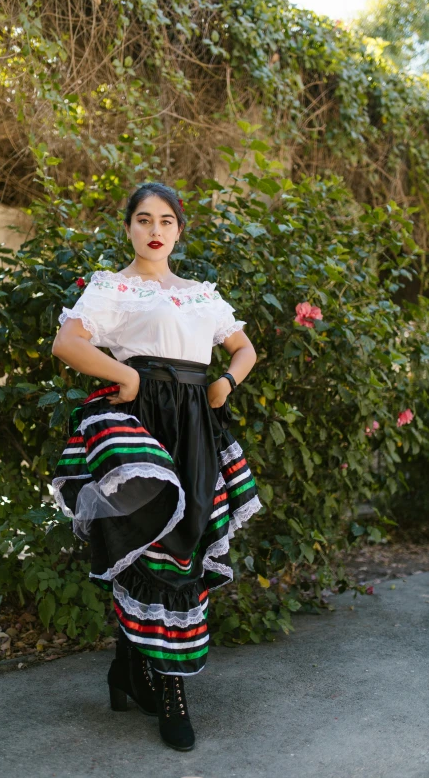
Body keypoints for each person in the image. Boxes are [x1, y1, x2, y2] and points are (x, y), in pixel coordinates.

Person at [51, 182, 262, 751]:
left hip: (196, 424)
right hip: (141, 423)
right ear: (128, 228)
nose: (155, 230)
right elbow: (67, 343)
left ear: (178, 230)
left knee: (185, 544)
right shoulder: (111, 288)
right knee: (150, 548)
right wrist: (125, 377)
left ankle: (127, 668)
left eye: (166, 220)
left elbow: (244, 349)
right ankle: (169, 693)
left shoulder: (200, 294)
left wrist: (225, 382)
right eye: (144, 219)